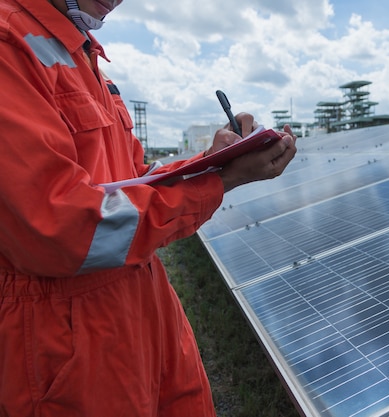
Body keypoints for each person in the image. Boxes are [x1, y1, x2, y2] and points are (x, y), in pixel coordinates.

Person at [0, 0, 297, 416]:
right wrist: (221, 180)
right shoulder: (9, 43)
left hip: (145, 308)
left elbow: (132, 177)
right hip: (69, 344)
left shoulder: (82, 55)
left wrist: (213, 158)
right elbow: (59, 226)